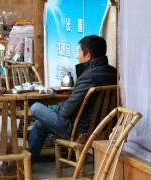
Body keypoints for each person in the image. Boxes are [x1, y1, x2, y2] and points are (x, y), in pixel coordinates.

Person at [28, 35, 117, 163]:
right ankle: (29, 161)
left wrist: (56, 111)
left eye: (79, 52)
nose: (78, 56)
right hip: (105, 128)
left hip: (80, 131)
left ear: (88, 56)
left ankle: (29, 162)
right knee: (40, 123)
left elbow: (66, 111)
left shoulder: (88, 77)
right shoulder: (114, 73)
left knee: (36, 107)